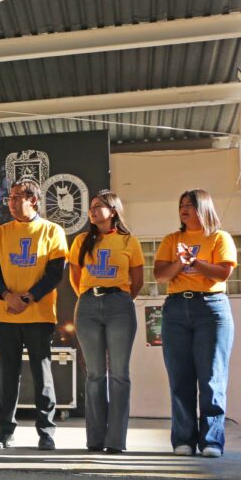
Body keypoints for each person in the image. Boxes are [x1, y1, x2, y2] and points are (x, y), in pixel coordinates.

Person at [0, 179, 68, 450]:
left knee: (42, 374)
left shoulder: (52, 231)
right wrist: (6, 295)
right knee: (8, 375)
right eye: (9, 197)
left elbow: (55, 273)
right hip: (5, 314)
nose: (10, 202)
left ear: (33, 200)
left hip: (39, 315)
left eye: (16, 197)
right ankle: (4, 432)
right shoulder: (1, 232)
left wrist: (28, 297)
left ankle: (46, 432)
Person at [154, 189, 236, 458]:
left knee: (211, 376)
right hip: (176, 308)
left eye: (190, 204)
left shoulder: (219, 237)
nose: (184, 209)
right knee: (180, 377)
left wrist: (195, 262)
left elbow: (222, 273)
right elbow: (161, 276)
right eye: (182, 204)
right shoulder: (172, 239)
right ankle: (183, 439)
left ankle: (212, 440)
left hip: (211, 308)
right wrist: (181, 262)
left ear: (204, 208)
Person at [68, 191, 144, 453]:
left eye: (98, 206)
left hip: (119, 305)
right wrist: (89, 297)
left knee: (119, 374)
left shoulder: (128, 240)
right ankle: (95, 439)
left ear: (113, 211)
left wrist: (119, 300)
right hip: (88, 305)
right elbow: (75, 276)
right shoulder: (81, 241)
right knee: (95, 374)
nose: (92, 210)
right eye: (91, 207)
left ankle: (115, 441)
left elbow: (137, 280)